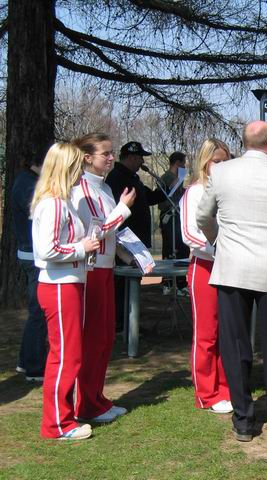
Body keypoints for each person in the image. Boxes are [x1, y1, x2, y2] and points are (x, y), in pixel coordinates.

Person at [196, 121, 267, 442]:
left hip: (232, 268)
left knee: (235, 344)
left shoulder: (222, 173)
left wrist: (219, 240)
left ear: (244, 143)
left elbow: (203, 216)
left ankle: (243, 418)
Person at [31, 143, 100, 440]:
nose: (81, 174)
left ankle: (63, 418)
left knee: (69, 355)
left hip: (68, 283)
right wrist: (81, 248)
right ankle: (57, 424)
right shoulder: (54, 203)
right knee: (65, 357)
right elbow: (46, 250)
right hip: (59, 285)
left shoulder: (61, 201)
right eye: (77, 167)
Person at [71, 133, 136, 424]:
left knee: (106, 338)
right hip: (90, 269)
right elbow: (95, 233)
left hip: (106, 267)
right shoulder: (79, 189)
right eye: (105, 153)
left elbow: (112, 233)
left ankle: (96, 398)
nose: (111, 158)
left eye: (112, 153)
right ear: (87, 157)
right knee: (92, 339)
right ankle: (85, 404)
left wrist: (131, 255)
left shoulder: (106, 187)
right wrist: (123, 209)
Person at [180, 139, 232, 414]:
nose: (221, 166)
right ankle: (207, 393)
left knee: (228, 331)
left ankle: (226, 387)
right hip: (205, 267)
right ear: (205, 162)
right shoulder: (195, 192)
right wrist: (218, 250)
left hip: (231, 268)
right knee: (206, 333)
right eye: (217, 161)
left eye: (226, 161)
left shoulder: (231, 191)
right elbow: (189, 234)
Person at [105, 141, 164, 332]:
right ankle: (120, 323)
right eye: (140, 158)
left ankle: (130, 322)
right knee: (122, 284)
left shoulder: (133, 178)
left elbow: (149, 198)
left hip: (137, 242)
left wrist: (166, 189)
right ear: (130, 157)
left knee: (133, 283)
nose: (142, 162)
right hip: (125, 242)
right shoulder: (116, 178)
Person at [11, 148, 47, 382]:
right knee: (38, 311)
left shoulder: (29, 181)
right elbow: (38, 214)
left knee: (38, 310)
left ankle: (26, 361)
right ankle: (34, 367)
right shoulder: (28, 184)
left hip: (32, 253)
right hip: (33, 256)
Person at [159, 151, 189, 295]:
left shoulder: (179, 179)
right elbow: (163, 195)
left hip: (178, 216)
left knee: (182, 248)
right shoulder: (167, 177)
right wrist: (176, 182)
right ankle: (168, 282)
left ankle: (181, 283)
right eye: (183, 163)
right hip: (169, 217)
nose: (184, 166)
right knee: (170, 249)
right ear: (177, 163)